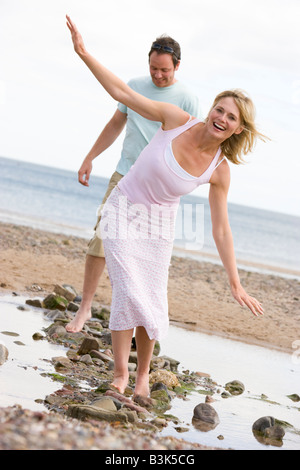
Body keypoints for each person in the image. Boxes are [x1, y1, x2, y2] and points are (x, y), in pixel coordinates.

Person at [66, 16, 266, 397]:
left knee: (152, 302)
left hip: (159, 226)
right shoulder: (176, 120)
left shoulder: (219, 171)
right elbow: (124, 95)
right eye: (219, 109)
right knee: (129, 291)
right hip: (123, 208)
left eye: (231, 117)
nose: (221, 118)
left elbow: (221, 229)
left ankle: (142, 378)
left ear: (238, 129)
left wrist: (235, 282)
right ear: (210, 110)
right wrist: (84, 53)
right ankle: (121, 375)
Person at [66, 29, 201, 334]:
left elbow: (194, 143)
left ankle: (138, 318)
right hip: (124, 175)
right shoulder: (135, 86)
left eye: (164, 70)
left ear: (177, 66)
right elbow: (116, 123)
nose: (158, 75)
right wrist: (90, 157)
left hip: (158, 189)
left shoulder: (188, 99)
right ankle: (85, 307)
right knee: (101, 238)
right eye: (153, 68)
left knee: (145, 255)